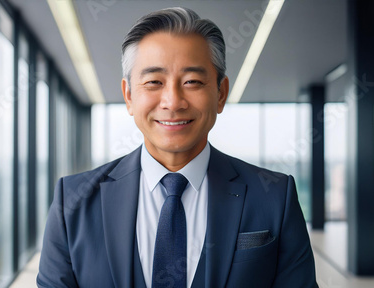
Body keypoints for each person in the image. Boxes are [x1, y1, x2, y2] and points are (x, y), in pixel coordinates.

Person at [37, 7, 317, 288]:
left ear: (220, 94)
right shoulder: (72, 202)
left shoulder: (274, 198)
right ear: (129, 96)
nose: (173, 101)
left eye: (192, 81)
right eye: (154, 82)